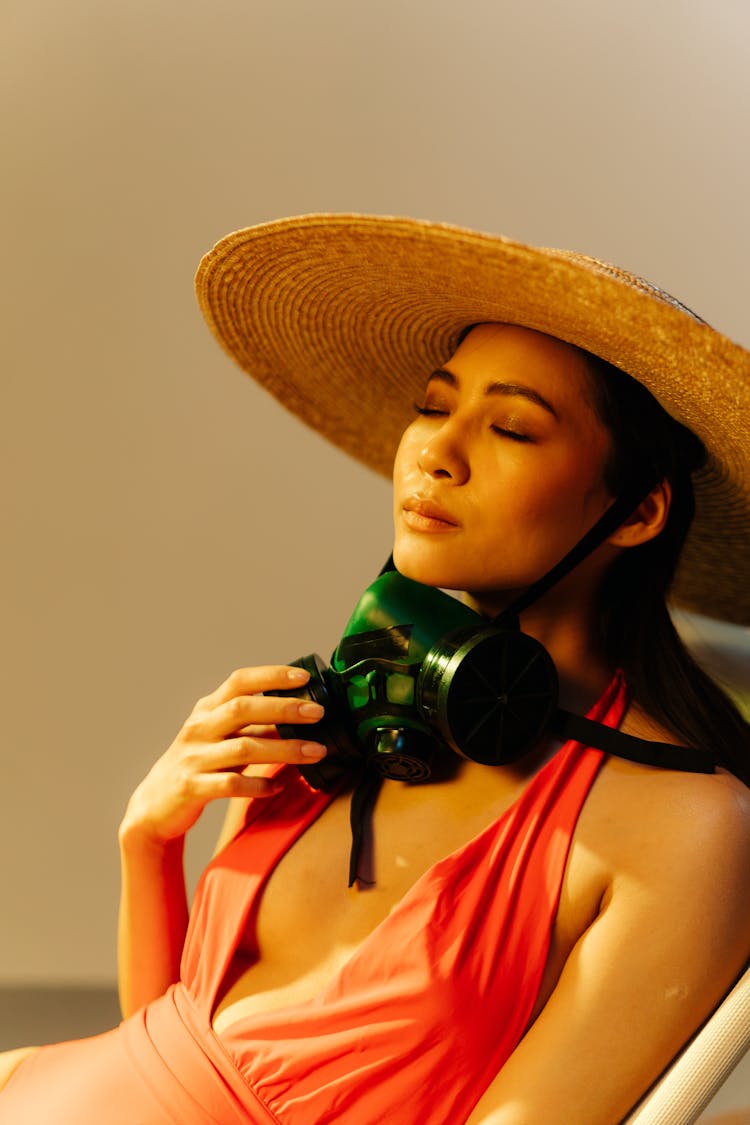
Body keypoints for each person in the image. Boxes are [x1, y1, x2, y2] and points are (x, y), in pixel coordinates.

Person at [1, 214, 749, 1124]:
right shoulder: (339, 715)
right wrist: (149, 843)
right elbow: (175, 1046)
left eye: (511, 427)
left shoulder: (688, 825)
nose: (436, 449)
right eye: (434, 406)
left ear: (636, 513)